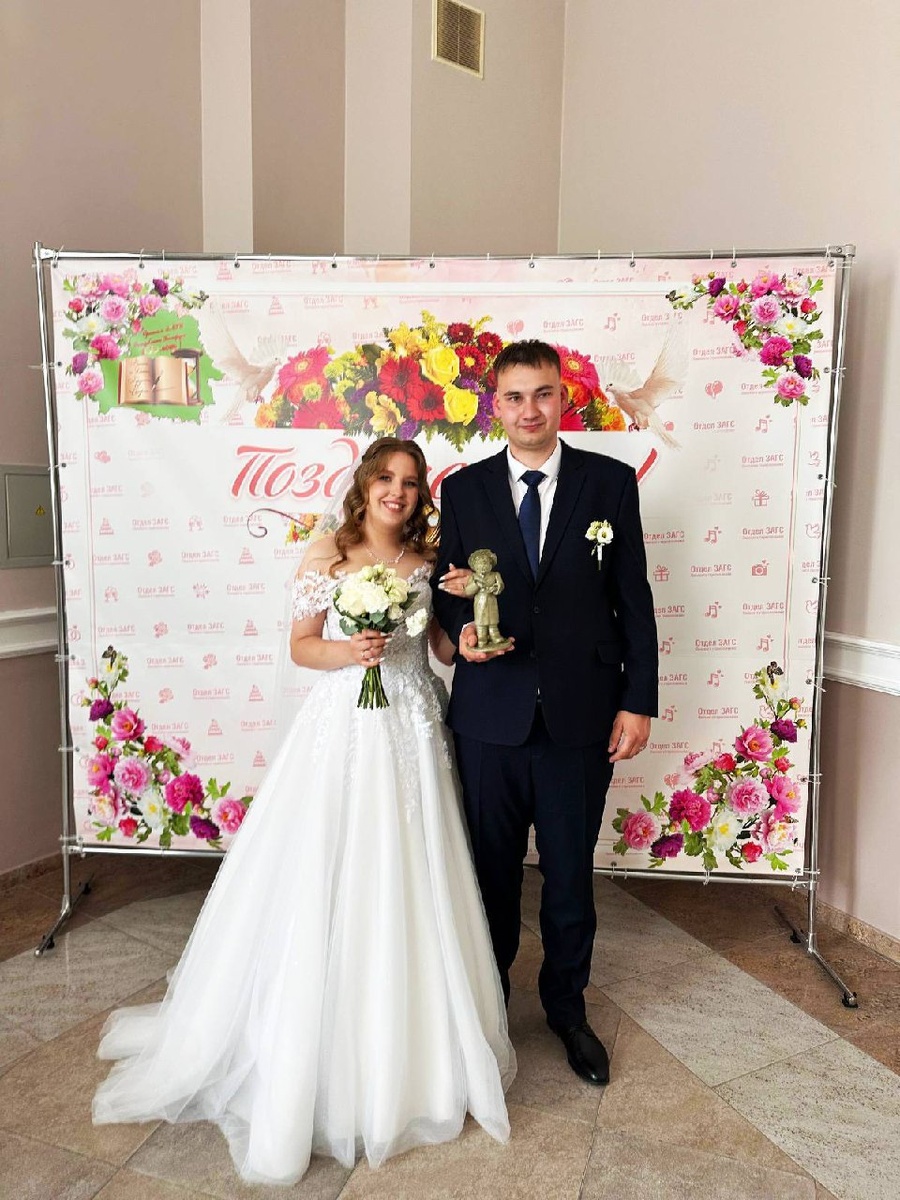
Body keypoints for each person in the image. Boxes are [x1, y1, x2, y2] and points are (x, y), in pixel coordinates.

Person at [92, 437, 515, 1186]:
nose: (397, 492)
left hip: (415, 728)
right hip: (345, 726)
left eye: (410, 482)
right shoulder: (329, 551)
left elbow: (441, 650)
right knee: (331, 871)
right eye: (385, 478)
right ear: (365, 484)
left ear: (421, 494)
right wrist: (353, 653)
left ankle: (421, 1045)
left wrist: (471, 632)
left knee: (417, 873)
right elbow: (302, 646)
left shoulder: (428, 560)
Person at [433, 340, 658, 1087]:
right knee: (490, 876)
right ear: (494, 406)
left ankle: (566, 1007)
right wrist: (461, 631)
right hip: (489, 720)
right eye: (514, 396)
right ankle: (489, 1005)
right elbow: (446, 590)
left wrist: (638, 700)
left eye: (543, 394)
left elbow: (633, 598)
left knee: (568, 877)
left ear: (564, 399)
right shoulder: (463, 490)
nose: (529, 410)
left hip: (580, 718)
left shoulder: (610, 483)